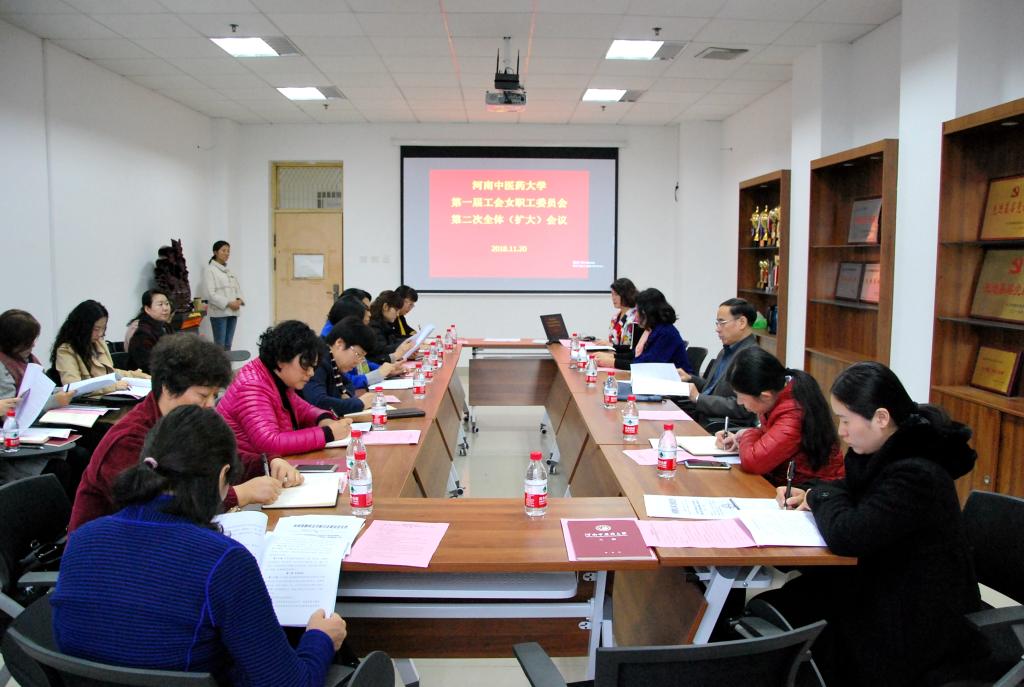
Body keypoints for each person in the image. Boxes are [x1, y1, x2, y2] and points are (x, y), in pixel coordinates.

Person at [52, 406, 348, 686]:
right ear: (222, 475)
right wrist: (320, 639)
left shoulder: (82, 540)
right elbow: (289, 683)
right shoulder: (224, 561)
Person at [765, 362, 987, 686]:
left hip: (918, 615)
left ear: (881, 418)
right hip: (887, 582)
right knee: (783, 605)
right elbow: (847, 492)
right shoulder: (882, 451)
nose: (841, 431)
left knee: (800, 621)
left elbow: (848, 534)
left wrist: (817, 496)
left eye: (845, 420)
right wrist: (818, 493)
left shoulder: (916, 474)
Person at [68, 333, 293, 532]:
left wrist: (268, 462)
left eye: (214, 396)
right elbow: (157, 509)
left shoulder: (186, 423)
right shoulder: (129, 440)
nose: (211, 405)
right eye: (203, 395)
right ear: (168, 387)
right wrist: (240, 494)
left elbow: (222, 459)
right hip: (109, 552)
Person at [218, 320, 352, 456]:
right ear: (282, 358)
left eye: (314, 366)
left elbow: (303, 409)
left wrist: (322, 418)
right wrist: (327, 433)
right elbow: (269, 443)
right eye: (306, 365)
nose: (311, 373)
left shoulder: (276, 377)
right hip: (246, 468)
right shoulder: (252, 386)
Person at [714, 347, 844, 487]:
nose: (739, 402)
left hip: (809, 490)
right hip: (784, 482)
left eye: (741, 396)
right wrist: (740, 439)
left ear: (765, 396)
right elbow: (769, 437)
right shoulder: (779, 396)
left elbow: (753, 462)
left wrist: (747, 434)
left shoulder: (794, 415)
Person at [0, 309, 76, 487]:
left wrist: (61, 392)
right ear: (14, 342)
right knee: (63, 467)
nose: (33, 344)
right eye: (28, 341)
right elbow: (12, 413)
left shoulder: (27, 359)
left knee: (80, 455)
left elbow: (40, 390)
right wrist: (55, 401)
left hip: (36, 430)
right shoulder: (3, 366)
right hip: (15, 446)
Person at [678, 297, 758, 427]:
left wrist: (698, 398)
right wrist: (690, 379)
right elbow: (713, 389)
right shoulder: (726, 350)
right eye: (717, 323)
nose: (718, 329)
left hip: (718, 425)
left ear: (742, 322)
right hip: (702, 416)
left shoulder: (751, 357)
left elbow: (743, 407)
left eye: (722, 323)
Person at [51, 300, 149, 394]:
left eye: (103, 328)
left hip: (106, 398)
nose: (100, 334)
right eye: (96, 329)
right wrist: (112, 387)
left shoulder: (99, 343)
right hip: (87, 403)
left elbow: (110, 373)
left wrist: (137, 376)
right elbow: (73, 388)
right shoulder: (66, 350)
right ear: (82, 327)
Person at [594, 288, 692, 373]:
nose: (636, 315)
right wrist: (612, 357)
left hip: (678, 382)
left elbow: (645, 365)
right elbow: (635, 355)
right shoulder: (653, 329)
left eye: (637, 311)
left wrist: (612, 362)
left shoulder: (666, 333)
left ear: (646, 312)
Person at [302, 317, 377, 416]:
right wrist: (359, 403)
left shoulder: (333, 359)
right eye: (358, 354)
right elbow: (318, 402)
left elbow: (348, 385)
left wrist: (343, 399)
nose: (358, 362)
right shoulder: (318, 361)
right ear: (339, 343)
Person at [203, 240, 244, 350]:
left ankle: (227, 362)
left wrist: (239, 300)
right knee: (219, 346)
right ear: (215, 252)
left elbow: (238, 289)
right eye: (223, 250)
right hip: (219, 313)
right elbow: (210, 294)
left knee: (228, 345)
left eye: (228, 251)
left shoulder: (228, 271)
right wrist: (229, 303)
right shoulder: (210, 270)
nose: (227, 253)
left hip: (233, 312)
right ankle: (219, 362)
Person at [126, 289, 174, 373]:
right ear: (147, 309)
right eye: (160, 304)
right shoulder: (142, 333)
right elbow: (148, 365)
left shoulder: (166, 326)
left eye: (167, 304)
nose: (165, 308)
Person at [366, 290, 414, 365]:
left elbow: (393, 340)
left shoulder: (384, 322)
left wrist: (409, 343)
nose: (397, 314)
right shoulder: (373, 325)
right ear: (385, 307)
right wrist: (404, 347)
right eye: (396, 310)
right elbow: (382, 350)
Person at [599, 278, 638, 355]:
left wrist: (610, 345)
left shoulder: (636, 317)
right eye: (612, 294)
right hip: (613, 355)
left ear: (626, 295)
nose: (613, 298)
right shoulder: (615, 317)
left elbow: (632, 348)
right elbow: (613, 341)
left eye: (616, 294)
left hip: (625, 358)